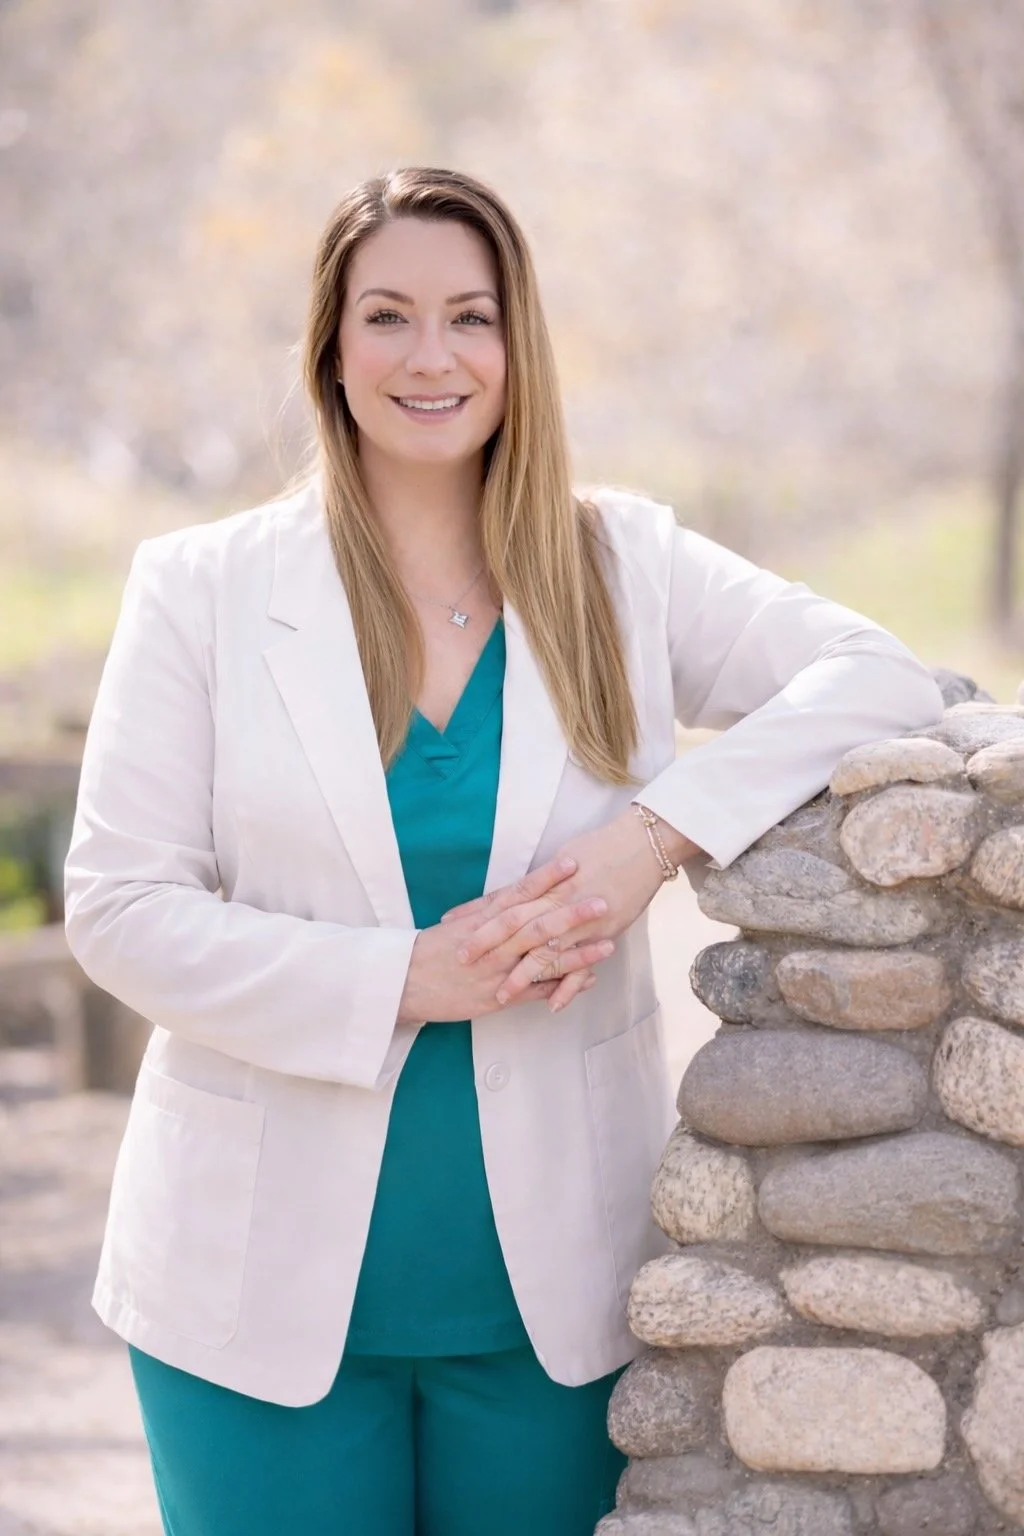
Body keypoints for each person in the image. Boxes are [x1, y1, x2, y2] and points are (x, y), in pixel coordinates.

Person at [64, 166, 945, 1536]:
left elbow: (880, 673)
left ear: (517, 346)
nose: (432, 356)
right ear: (331, 347)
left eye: (471, 317)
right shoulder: (206, 591)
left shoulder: (624, 564)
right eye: (390, 316)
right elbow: (119, 907)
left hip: (550, 1297)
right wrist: (403, 979)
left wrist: (652, 841)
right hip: (247, 1294)